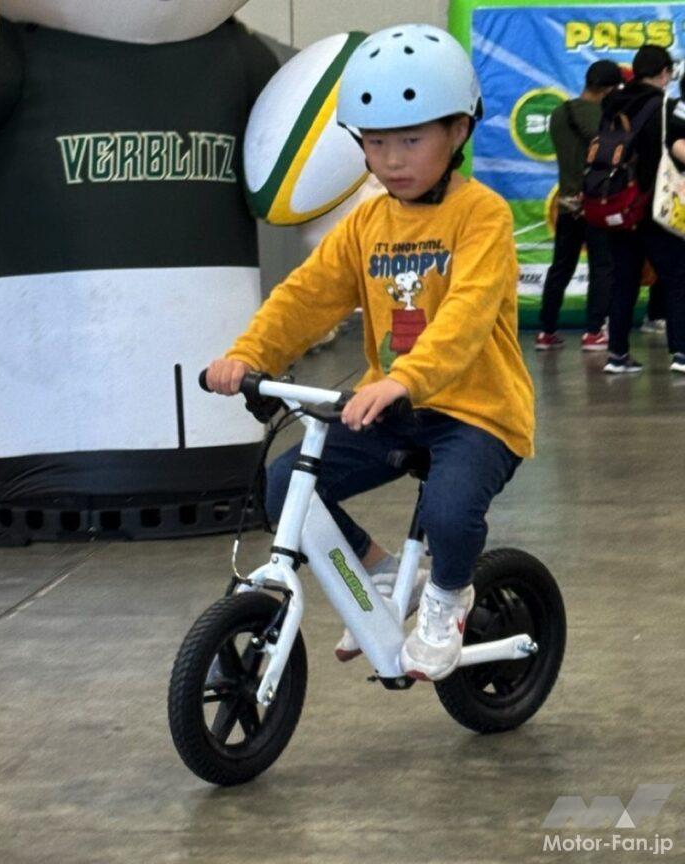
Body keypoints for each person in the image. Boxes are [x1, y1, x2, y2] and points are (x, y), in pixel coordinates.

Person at [203, 24, 534, 682]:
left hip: (478, 411)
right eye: (376, 143)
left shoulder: (483, 216)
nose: (392, 160)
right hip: (396, 406)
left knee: (449, 511)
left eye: (411, 140)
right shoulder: (366, 223)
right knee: (284, 485)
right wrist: (249, 352)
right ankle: (383, 574)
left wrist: (404, 378)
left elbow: (467, 315)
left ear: (458, 132)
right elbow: (308, 296)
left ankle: (447, 599)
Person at [599, 46, 685, 374]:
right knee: (677, 278)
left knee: (625, 280)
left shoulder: (612, 104)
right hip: (654, 207)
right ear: (664, 73)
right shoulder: (667, 107)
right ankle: (681, 353)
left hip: (619, 204)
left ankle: (617, 355)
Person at [535, 61, 621, 352]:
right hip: (596, 203)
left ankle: (546, 331)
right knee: (602, 266)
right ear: (609, 89)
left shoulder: (560, 113)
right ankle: (594, 332)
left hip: (567, 202)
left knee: (561, 267)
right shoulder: (605, 118)